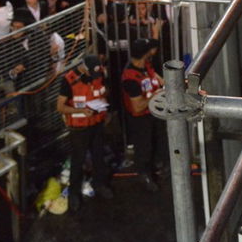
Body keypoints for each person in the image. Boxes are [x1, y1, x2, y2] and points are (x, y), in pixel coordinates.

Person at [56, 53, 112, 209]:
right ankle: (74, 193)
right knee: (78, 160)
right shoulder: (69, 80)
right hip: (79, 127)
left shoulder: (99, 74)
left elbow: (104, 91)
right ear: (83, 67)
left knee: (98, 156)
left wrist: (104, 108)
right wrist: (76, 110)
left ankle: (100, 184)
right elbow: (60, 107)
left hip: (97, 123)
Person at [119, 38, 164, 190]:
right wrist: (156, 95)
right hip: (140, 119)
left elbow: (160, 81)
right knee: (144, 148)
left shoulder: (147, 66)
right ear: (145, 54)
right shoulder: (130, 78)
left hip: (154, 114)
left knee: (157, 142)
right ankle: (144, 175)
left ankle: (156, 168)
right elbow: (137, 107)